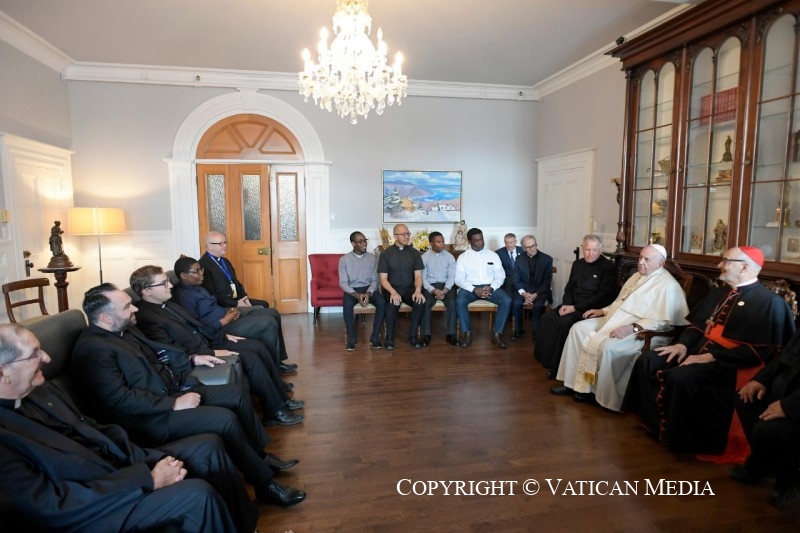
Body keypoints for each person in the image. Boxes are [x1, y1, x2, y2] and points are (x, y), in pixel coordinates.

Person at [0, 323, 256, 532]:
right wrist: (148, 479)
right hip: (92, 511)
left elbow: (98, 433)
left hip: (117, 469)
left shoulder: (40, 389)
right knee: (196, 495)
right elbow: (50, 504)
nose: (47, 358)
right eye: (34, 354)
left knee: (207, 447)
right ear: (3, 373)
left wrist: (151, 460)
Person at [70, 284, 306, 507]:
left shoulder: (124, 330)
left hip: (172, 391)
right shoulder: (93, 349)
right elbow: (120, 400)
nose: (135, 308)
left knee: (237, 394)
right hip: (148, 419)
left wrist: (193, 358)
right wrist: (174, 404)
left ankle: (260, 459)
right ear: (105, 318)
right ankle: (265, 485)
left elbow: (159, 352)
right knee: (224, 420)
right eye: (127, 306)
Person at [622, 246, 796, 454]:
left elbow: (758, 352)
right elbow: (696, 327)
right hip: (696, 351)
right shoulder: (719, 293)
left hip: (730, 365)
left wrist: (707, 357)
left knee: (681, 376)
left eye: (726, 261)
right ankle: (654, 424)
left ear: (744, 267)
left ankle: (680, 438)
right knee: (648, 360)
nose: (719, 265)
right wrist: (682, 344)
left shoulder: (770, 303)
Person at [131, 265, 303, 426]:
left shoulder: (167, 304)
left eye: (168, 281)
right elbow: (171, 349)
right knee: (250, 358)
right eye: (164, 283)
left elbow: (197, 327)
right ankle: (275, 411)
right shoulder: (146, 317)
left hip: (210, 340)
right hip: (199, 353)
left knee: (257, 346)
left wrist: (223, 335)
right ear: (146, 290)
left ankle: (281, 398)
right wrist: (211, 352)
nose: (170, 285)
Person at [551, 245, 689, 410]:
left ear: (660, 264)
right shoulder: (636, 276)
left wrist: (634, 327)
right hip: (616, 319)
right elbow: (620, 303)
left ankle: (602, 395)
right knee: (577, 329)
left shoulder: (668, 286)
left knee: (609, 347)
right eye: (640, 258)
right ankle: (573, 384)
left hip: (644, 331)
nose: (641, 262)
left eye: (647, 260)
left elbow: (665, 322)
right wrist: (603, 311)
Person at [199, 231, 297, 374]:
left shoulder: (225, 261)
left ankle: (278, 359)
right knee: (268, 315)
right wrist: (237, 304)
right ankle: (273, 363)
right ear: (209, 246)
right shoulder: (204, 266)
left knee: (269, 308)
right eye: (220, 243)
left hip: (237, 299)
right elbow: (213, 296)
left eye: (225, 242)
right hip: (227, 306)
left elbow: (236, 283)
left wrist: (244, 297)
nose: (224, 245)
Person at [173, 256, 290, 370]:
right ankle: (274, 367)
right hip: (221, 327)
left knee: (272, 312)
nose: (201, 273)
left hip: (227, 315)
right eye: (196, 271)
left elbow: (213, 306)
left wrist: (228, 311)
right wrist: (225, 320)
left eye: (201, 270)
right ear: (184, 275)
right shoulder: (184, 297)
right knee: (268, 323)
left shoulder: (198, 287)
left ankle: (278, 360)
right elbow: (199, 328)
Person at [730, 328, 800, 510]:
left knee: (769, 429)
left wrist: (788, 406)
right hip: (786, 392)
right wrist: (760, 380)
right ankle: (761, 466)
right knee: (745, 399)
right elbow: (784, 356)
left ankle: (791, 480)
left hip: (795, 405)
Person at [535, 235, 618, 379]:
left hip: (591, 308)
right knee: (547, 318)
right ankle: (544, 358)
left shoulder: (608, 268)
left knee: (564, 323)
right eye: (587, 249)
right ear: (582, 248)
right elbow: (569, 287)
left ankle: (557, 366)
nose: (590, 253)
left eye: (594, 250)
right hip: (572, 303)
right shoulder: (577, 264)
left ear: (600, 250)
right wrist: (566, 304)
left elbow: (603, 296)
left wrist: (575, 308)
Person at [454, 227, 512, 349]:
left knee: (507, 300)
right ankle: (467, 333)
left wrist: (492, 287)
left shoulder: (493, 255)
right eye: (476, 240)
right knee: (459, 301)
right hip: (470, 288)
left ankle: (497, 334)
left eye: (481, 239)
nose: (480, 242)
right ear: (469, 241)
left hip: (490, 287)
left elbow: (500, 276)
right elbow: (458, 279)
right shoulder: (463, 257)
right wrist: (474, 290)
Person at [377, 223, 426, 350]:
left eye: (408, 233)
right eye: (403, 234)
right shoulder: (385, 254)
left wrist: (418, 290)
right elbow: (383, 279)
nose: (407, 236)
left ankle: (413, 336)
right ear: (395, 236)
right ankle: (389, 337)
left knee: (420, 302)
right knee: (392, 305)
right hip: (392, 289)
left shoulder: (415, 253)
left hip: (410, 289)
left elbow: (418, 276)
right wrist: (393, 292)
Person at [339, 231, 386, 351]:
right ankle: (351, 339)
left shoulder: (373, 258)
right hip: (352, 290)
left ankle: (374, 337)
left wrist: (368, 293)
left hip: (369, 288)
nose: (364, 243)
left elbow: (375, 280)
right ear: (353, 243)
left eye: (365, 240)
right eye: (360, 241)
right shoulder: (344, 260)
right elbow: (343, 283)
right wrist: (356, 295)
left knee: (382, 302)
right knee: (347, 305)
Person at [510, 235, 552, 340]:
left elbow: (546, 282)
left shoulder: (547, 259)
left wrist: (536, 294)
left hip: (540, 290)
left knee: (538, 305)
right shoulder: (519, 259)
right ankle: (519, 331)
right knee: (516, 303)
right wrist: (524, 293)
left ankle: (537, 333)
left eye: (534, 245)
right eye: (528, 247)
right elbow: (515, 279)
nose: (532, 249)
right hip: (524, 289)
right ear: (523, 248)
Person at [421, 231, 458, 347]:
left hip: (446, 285)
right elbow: (422, 278)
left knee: (452, 302)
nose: (442, 244)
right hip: (430, 286)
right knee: (426, 303)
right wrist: (432, 290)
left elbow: (452, 276)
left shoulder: (449, 257)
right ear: (431, 244)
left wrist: (446, 289)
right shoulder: (424, 257)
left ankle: (451, 334)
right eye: (438, 242)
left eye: (443, 241)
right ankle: (426, 334)